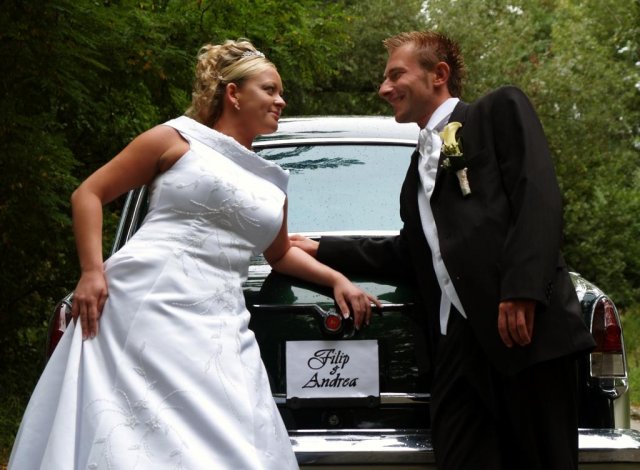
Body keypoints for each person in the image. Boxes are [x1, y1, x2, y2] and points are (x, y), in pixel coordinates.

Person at [9, 39, 378, 470]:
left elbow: (279, 255)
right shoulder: (176, 139)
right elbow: (88, 193)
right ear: (233, 94)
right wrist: (91, 271)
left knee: (237, 441)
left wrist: (336, 279)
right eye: (270, 89)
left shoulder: (273, 182)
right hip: (142, 305)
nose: (281, 100)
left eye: (280, 92)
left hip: (220, 323)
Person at [290, 31, 596, 470]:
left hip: (524, 331)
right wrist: (322, 248)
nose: (383, 88)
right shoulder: (414, 174)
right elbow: (412, 252)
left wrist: (521, 290)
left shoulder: (497, 112)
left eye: (396, 75)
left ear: (439, 74)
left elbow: (538, 197)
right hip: (455, 347)